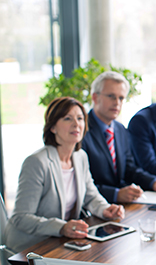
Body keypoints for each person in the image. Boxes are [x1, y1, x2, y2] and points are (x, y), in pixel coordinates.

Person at [4, 97, 125, 252]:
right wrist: (61, 227)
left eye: (80, 118)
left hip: (61, 241)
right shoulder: (37, 162)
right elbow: (21, 217)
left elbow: (91, 195)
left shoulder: (80, 156)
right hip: (30, 246)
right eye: (68, 118)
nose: (76, 124)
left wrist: (105, 209)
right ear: (53, 127)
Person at [82, 71, 156, 203]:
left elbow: (130, 169)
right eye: (111, 96)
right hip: (93, 209)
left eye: (121, 98)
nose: (117, 103)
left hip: (121, 207)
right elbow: (80, 185)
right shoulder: (81, 130)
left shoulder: (120, 129)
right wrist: (115, 194)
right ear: (95, 97)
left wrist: (153, 182)